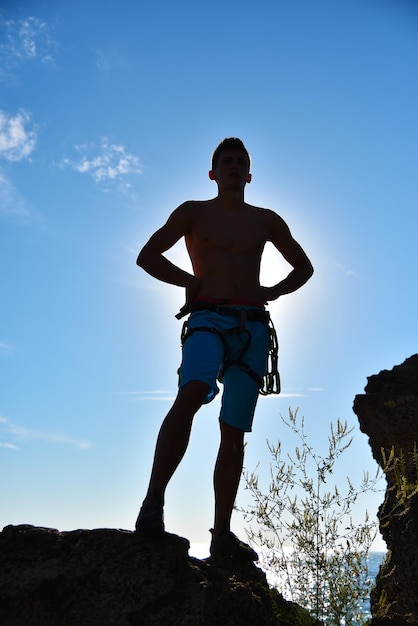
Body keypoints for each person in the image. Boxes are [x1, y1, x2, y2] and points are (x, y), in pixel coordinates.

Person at [135, 138, 313, 560]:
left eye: (241, 163)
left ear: (249, 175)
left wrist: (272, 290)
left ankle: (222, 534)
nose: (234, 167)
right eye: (226, 162)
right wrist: (188, 281)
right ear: (212, 173)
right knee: (192, 392)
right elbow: (148, 256)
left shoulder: (266, 220)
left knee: (233, 429)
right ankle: (152, 504)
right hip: (207, 317)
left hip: (251, 326)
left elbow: (304, 267)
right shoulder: (193, 213)